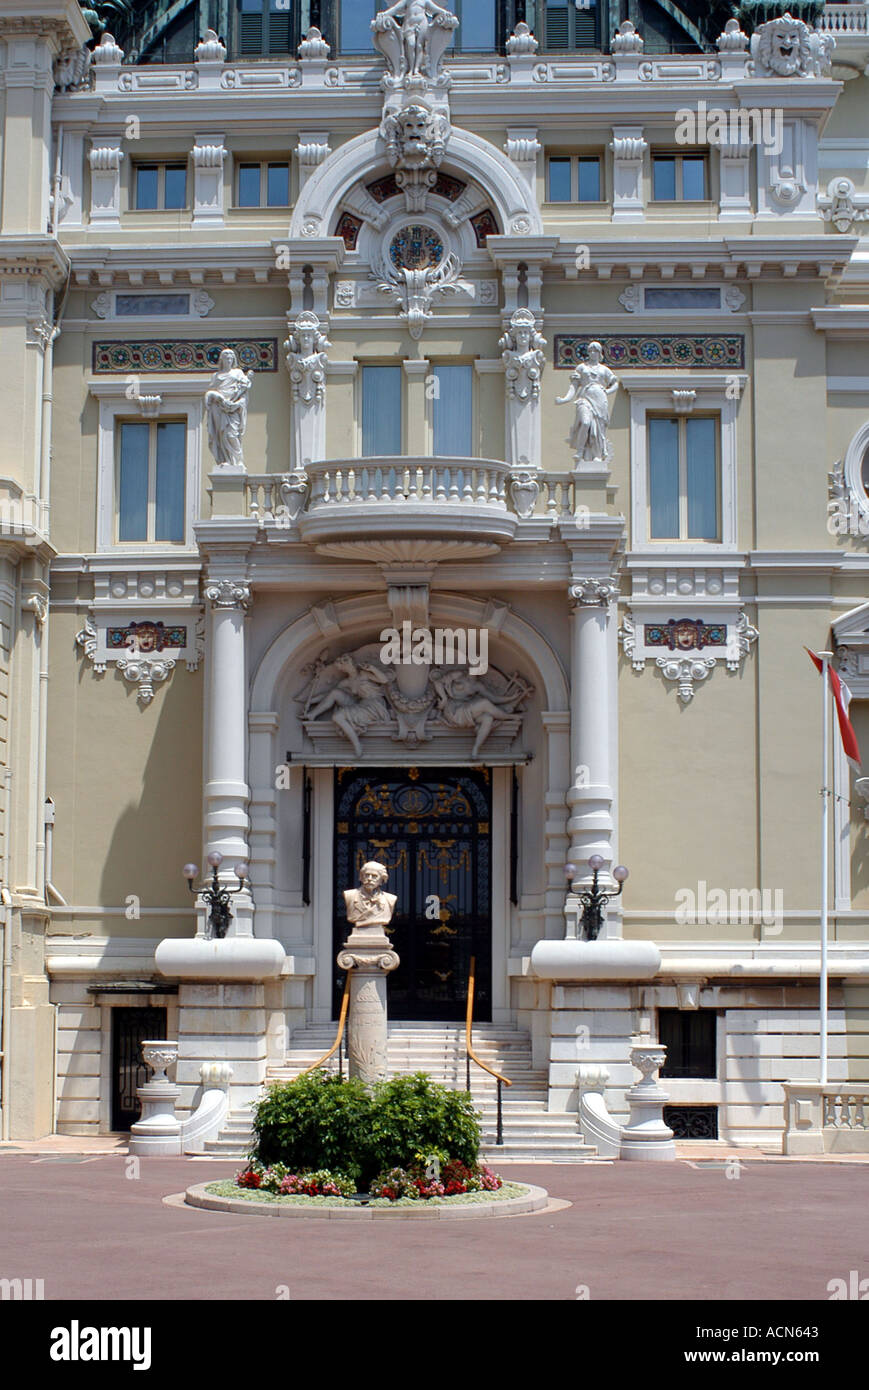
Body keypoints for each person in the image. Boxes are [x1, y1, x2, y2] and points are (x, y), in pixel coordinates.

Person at [556, 341, 619, 464]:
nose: (592, 353)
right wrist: (565, 399)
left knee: (598, 429)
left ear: (599, 353)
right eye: (590, 350)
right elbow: (574, 386)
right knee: (585, 423)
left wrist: (606, 391)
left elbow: (615, 383)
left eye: (595, 350)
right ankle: (580, 450)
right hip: (584, 398)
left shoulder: (604, 369)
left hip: (600, 400)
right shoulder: (582, 368)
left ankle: (596, 454)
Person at [205, 348, 252, 468]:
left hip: (233, 409)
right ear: (222, 360)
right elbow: (211, 392)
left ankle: (237, 460)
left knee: (231, 434)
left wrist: (236, 404)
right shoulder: (216, 376)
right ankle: (225, 459)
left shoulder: (238, 373)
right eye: (226, 357)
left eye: (231, 358)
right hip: (219, 407)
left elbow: (244, 395)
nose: (229, 360)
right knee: (221, 434)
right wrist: (217, 398)